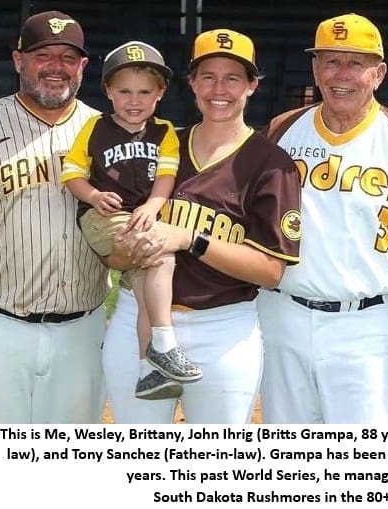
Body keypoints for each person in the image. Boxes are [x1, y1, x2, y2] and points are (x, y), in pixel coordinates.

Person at [257, 13, 388, 424]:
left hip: (366, 323)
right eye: (331, 61)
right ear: (315, 68)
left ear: (379, 74)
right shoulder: (282, 130)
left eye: (356, 63)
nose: (342, 75)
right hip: (281, 315)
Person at [101, 28, 301, 423]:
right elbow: (115, 249)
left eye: (232, 78)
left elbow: (271, 271)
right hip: (137, 319)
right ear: (191, 82)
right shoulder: (160, 145)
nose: (218, 89)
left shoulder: (271, 164)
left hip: (222, 328)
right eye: (208, 76)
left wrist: (190, 239)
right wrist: (124, 248)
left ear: (252, 85)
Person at [0, 11, 108, 423]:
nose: (56, 67)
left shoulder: (105, 130)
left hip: (82, 329)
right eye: (42, 56)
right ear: (18, 60)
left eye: (68, 57)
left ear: (82, 66)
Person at [60, 41, 201, 401]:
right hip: (103, 216)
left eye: (144, 92)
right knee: (160, 255)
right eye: (124, 91)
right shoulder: (94, 127)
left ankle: (147, 371)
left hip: (141, 216)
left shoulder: (164, 131)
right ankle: (165, 343)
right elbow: (72, 174)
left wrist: (154, 206)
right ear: (108, 91)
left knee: (147, 291)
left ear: (160, 93)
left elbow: (166, 176)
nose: (134, 101)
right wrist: (93, 195)